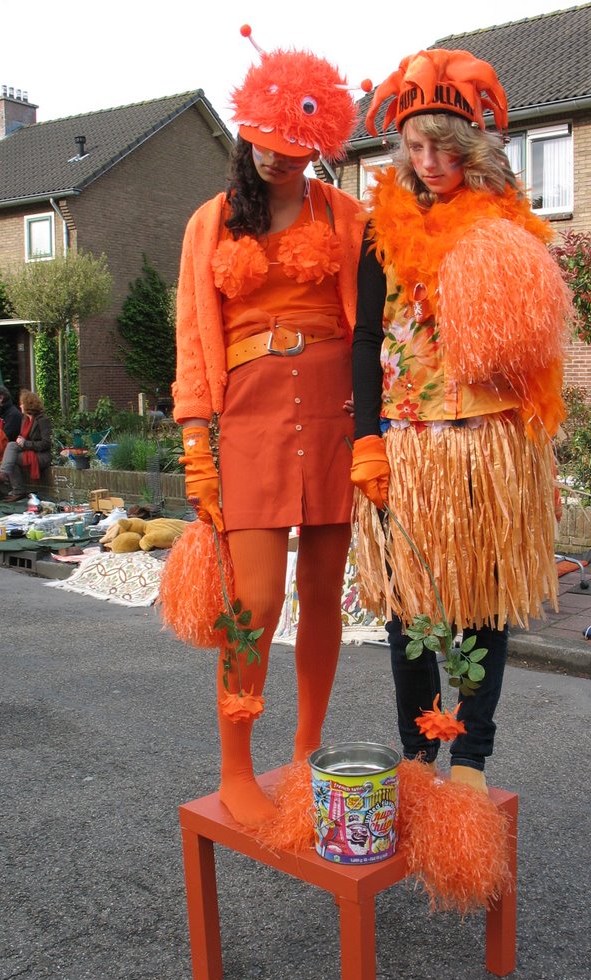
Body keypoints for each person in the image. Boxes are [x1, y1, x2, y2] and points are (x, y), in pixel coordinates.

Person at [350, 49, 572, 792]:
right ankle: (417, 758)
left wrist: (536, 448)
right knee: (407, 607)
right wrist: (364, 443)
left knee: (481, 599)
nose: (430, 161)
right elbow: (363, 336)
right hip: (407, 444)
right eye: (415, 146)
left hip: (487, 445)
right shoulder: (380, 230)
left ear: (474, 145)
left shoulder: (504, 228)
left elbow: (534, 349)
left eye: (445, 145)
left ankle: (472, 759)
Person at [171, 28, 364, 828]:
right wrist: (195, 447)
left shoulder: (350, 218)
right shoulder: (209, 224)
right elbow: (190, 336)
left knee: (324, 593)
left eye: (294, 149)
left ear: (319, 145)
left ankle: (308, 749)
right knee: (252, 601)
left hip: (334, 416)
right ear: (246, 133)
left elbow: (383, 323)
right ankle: (236, 763)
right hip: (248, 418)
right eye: (265, 145)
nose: (278, 160)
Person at [0, 390, 52, 501]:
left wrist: (25, 443)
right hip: (28, 450)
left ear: (28, 404)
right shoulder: (25, 419)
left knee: (12, 459)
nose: (20, 405)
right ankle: (4, 474)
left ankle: (17, 489)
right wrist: (21, 440)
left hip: (42, 455)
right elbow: (23, 438)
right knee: (12, 445)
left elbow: (46, 443)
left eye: (22, 403)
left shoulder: (42, 420)